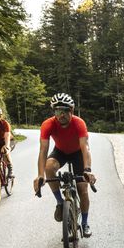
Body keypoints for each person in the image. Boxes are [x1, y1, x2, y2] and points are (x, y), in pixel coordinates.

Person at [34, 93, 97, 237]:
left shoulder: (79, 123)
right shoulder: (47, 124)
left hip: (77, 154)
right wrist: (40, 176)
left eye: (65, 111)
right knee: (49, 167)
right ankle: (60, 203)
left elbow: (85, 148)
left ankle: (85, 223)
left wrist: (87, 170)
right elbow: (43, 150)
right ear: (54, 112)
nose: (61, 115)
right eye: (57, 111)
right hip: (60, 151)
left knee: (83, 190)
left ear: (72, 111)